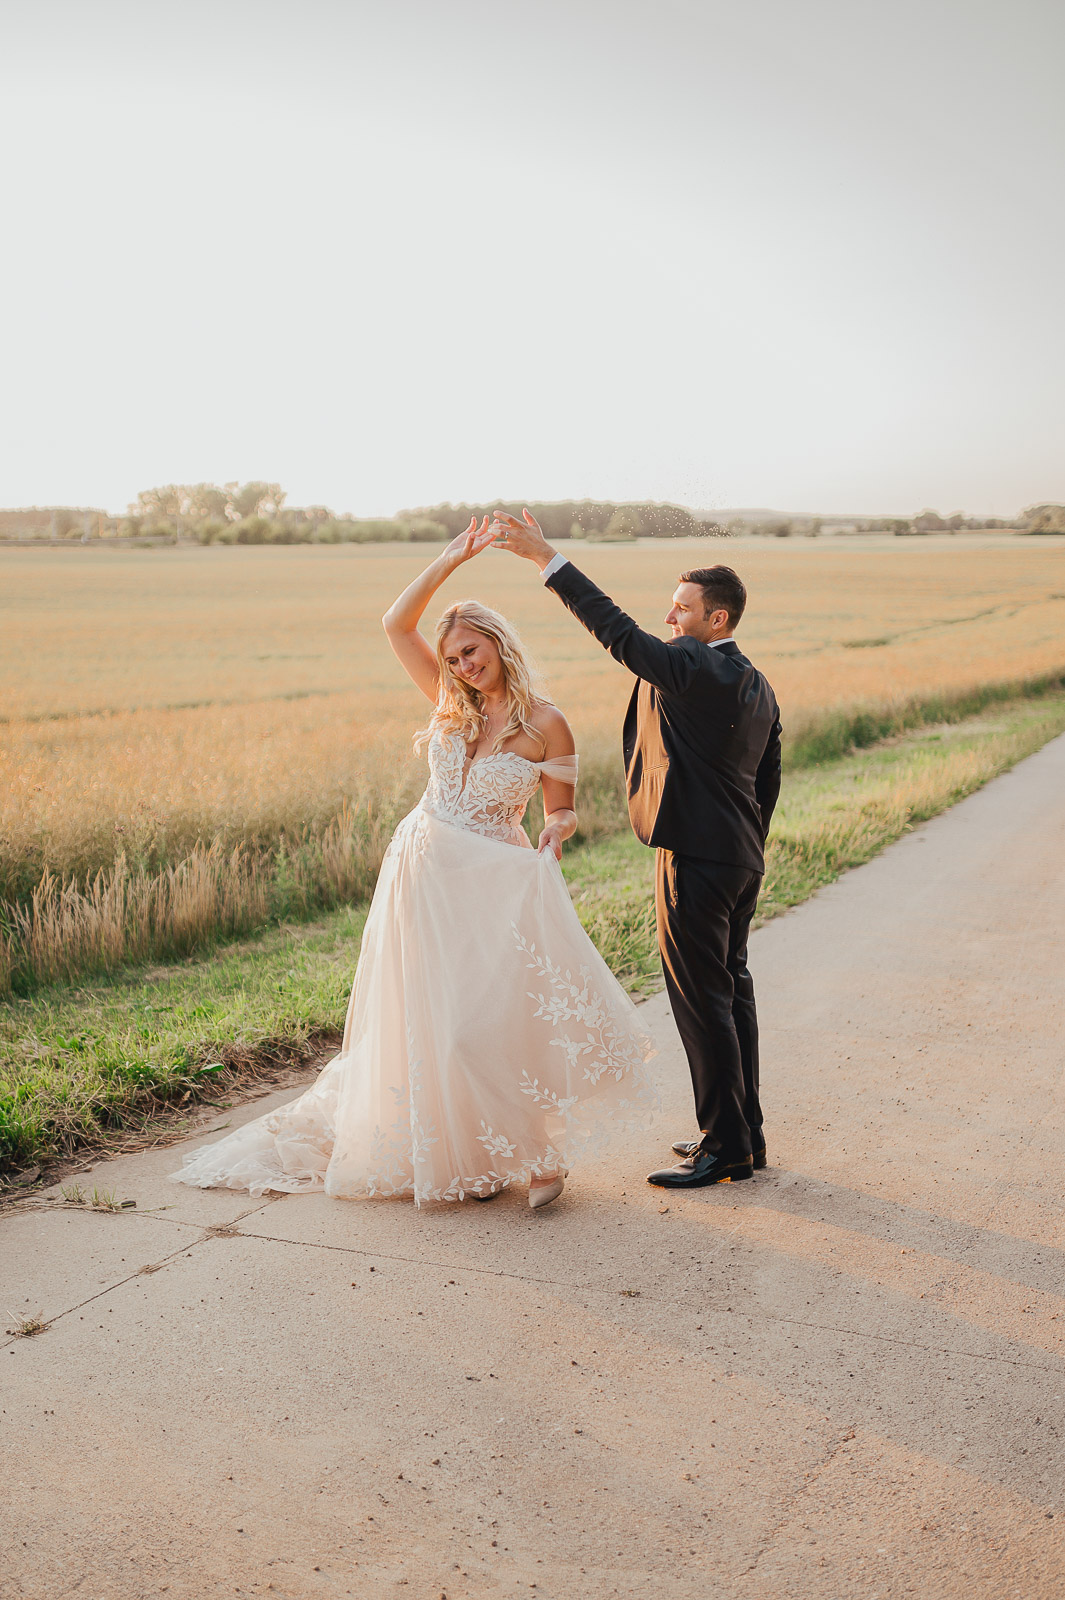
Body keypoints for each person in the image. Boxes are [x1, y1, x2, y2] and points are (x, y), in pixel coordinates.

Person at [172, 518, 656, 1209]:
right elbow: (395, 624)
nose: (462, 666)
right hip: (421, 875)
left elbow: (562, 807)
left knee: (487, 1021)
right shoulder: (446, 703)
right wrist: (450, 559)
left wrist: (556, 834)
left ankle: (541, 1155)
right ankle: (475, 1158)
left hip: (492, 881)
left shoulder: (546, 723)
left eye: (470, 651)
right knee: (429, 1020)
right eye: (453, 657)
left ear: (497, 641)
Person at [491, 510, 781, 1189]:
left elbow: (619, 635)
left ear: (717, 621)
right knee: (731, 993)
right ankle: (744, 1135)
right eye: (671, 607)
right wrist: (744, 846)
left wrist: (547, 561)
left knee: (702, 1000)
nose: (670, 618)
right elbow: (767, 780)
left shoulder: (689, 663)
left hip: (695, 857)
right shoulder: (755, 683)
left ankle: (723, 1149)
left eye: (682, 610)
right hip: (738, 858)